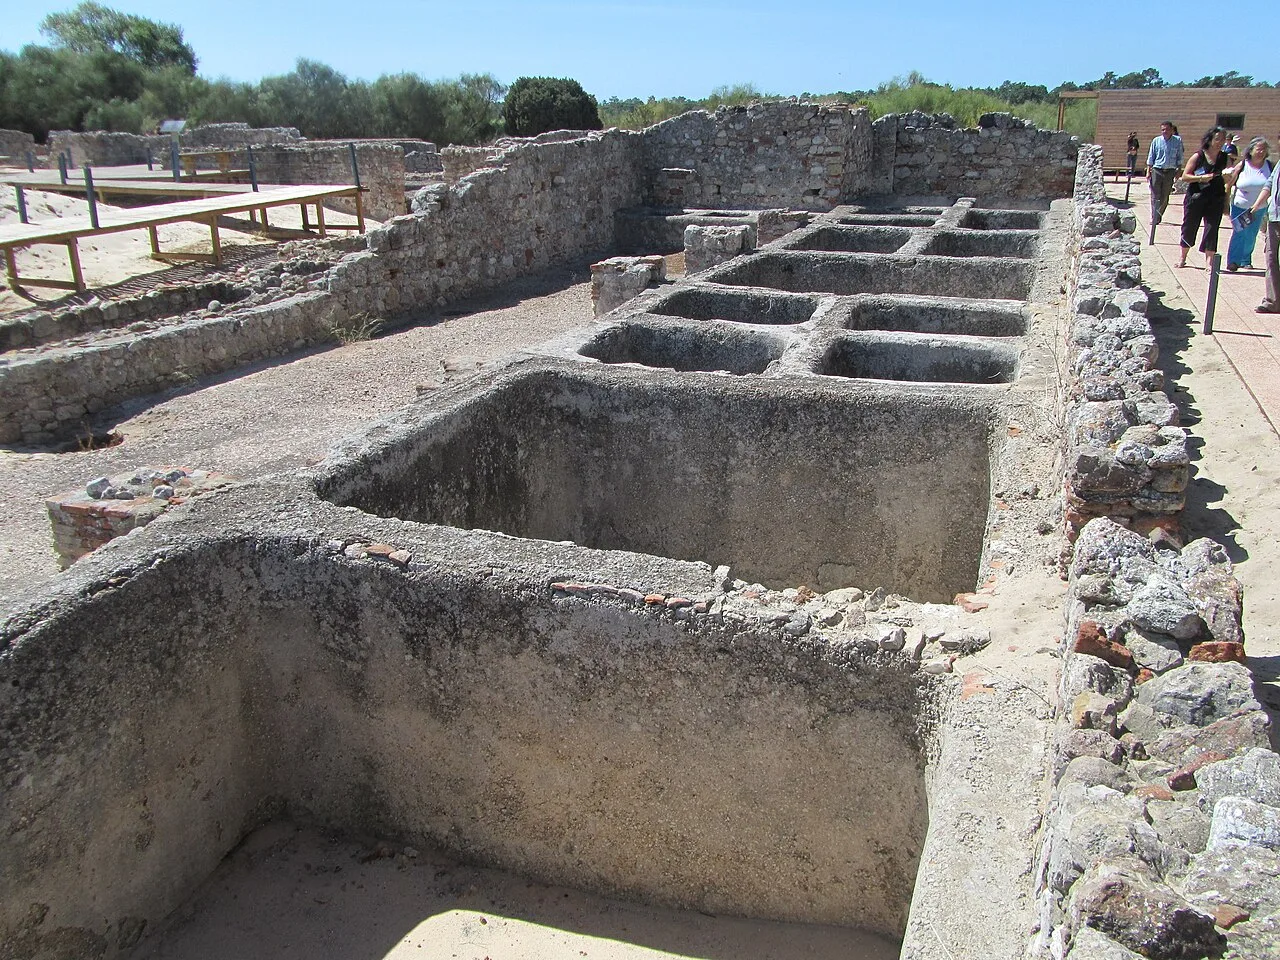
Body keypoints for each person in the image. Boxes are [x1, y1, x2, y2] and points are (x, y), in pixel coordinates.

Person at [1179, 126, 1234, 269]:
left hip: (1216, 197)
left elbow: (1229, 181)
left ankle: (1209, 263)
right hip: (1196, 197)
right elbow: (1185, 176)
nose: (1220, 142)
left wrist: (1228, 180)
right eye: (1217, 139)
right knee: (1189, 227)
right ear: (1209, 139)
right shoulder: (1198, 156)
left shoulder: (1225, 158)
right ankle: (1183, 257)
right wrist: (1202, 178)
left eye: (1223, 139)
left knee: (1212, 228)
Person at [1226, 137, 1273, 271]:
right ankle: (1233, 261)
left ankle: (1245, 260)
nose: (1261, 152)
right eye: (1258, 149)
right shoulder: (1242, 165)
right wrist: (1225, 202)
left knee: (1251, 234)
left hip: (1259, 207)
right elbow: (1229, 184)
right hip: (1239, 205)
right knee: (1239, 232)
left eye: (1264, 149)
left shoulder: (1269, 166)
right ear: (1251, 150)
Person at [1147, 120, 1184, 231]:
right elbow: (1151, 156)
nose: (1165, 132)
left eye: (1167, 129)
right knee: (1154, 195)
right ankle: (1154, 217)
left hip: (1170, 171)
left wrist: (1179, 170)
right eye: (1163, 129)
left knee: (1164, 196)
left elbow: (1180, 156)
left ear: (1171, 130)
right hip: (1157, 170)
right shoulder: (1156, 141)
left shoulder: (1177, 141)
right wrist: (1148, 170)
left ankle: (1159, 214)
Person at [1257, 154, 1280, 313]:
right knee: (1271, 258)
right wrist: (1257, 205)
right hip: (1274, 217)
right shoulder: (1279, 164)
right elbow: (1269, 183)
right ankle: (1272, 301)